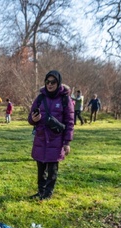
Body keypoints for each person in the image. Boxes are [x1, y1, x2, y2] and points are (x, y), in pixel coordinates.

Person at [27, 70, 74, 200]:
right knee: (40, 168)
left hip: (56, 139)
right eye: (47, 82)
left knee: (52, 169)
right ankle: (40, 192)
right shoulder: (40, 98)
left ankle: (48, 193)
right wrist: (34, 119)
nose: (50, 84)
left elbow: (69, 122)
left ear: (58, 83)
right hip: (41, 138)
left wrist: (67, 142)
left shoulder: (65, 99)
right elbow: (30, 119)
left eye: (53, 82)